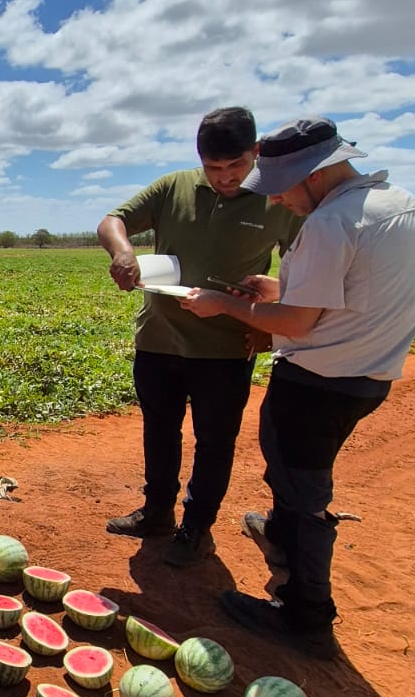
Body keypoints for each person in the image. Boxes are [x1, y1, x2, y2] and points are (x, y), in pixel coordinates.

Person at [182, 119, 415, 657]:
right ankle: (282, 531)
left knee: (303, 491)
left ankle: (305, 612)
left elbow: (295, 324)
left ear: (313, 174)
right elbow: (358, 287)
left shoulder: (331, 222)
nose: (277, 201)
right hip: (368, 376)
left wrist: (225, 304)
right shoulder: (400, 205)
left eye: (281, 188)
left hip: (317, 381)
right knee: (298, 477)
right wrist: (283, 286)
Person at [97, 107, 296, 567]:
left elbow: (304, 274)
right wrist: (123, 252)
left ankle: (197, 528)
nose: (225, 177)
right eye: (213, 167)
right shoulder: (175, 187)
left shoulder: (278, 201)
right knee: (159, 429)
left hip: (226, 348)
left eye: (236, 165)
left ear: (256, 152)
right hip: (158, 339)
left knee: (214, 441)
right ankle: (157, 512)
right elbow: (113, 220)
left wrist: (267, 324)